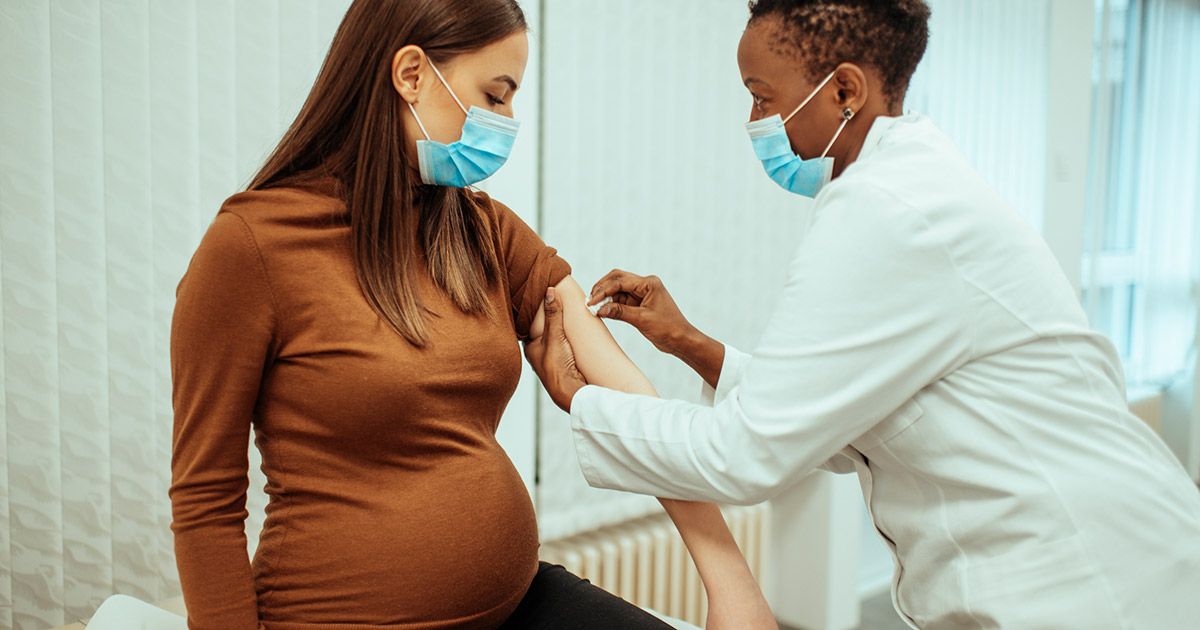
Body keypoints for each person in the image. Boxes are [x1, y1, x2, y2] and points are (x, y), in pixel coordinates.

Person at [531, 1, 1200, 628]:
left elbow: (746, 453)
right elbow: (835, 418)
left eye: (763, 97)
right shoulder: (903, 188)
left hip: (1086, 583)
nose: (755, 121)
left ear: (844, 91)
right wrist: (689, 343)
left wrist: (577, 399)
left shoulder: (887, 211)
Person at [168, 1, 775, 628]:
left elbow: (626, 393)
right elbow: (205, 500)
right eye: (496, 95)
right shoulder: (251, 247)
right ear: (411, 74)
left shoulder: (478, 229)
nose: (508, 121)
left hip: (518, 602)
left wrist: (731, 582)